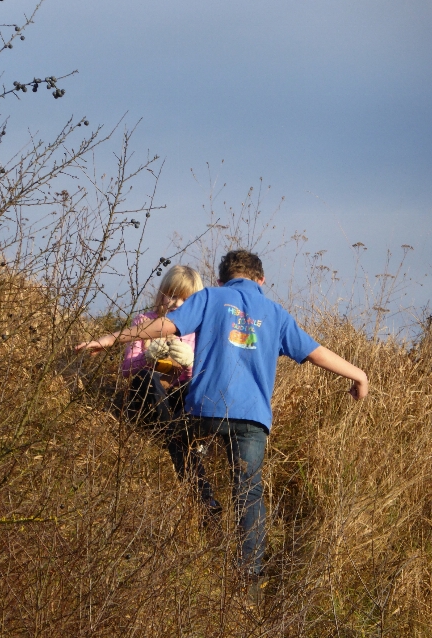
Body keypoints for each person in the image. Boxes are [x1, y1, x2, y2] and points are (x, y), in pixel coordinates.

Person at [76, 250, 368, 605]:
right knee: (248, 494)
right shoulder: (276, 313)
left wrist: (111, 337)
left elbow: (164, 325)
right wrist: (359, 374)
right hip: (252, 420)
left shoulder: (210, 297)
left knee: (176, 438)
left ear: (221, 280)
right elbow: (316, 352)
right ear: (261, 281)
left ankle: (202, 499)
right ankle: (250, 585)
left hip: (205, 411)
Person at [118, 265, 220, 519]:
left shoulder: (197, 332)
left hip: (176, 407)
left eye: (186, 299)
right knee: (147, 377)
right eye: (172, 295)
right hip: (146, 404)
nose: (177, 303)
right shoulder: (144, 322)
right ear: (162, 293)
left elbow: (202, 380)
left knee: (195, 388)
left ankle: (206, 503)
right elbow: (127, 370)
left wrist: (190, 364)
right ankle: (178, 436)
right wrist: (147, 358)